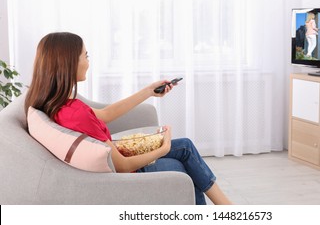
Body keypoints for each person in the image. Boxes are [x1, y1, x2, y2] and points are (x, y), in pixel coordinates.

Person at [24, 32, 232, 205]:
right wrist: (164, 147)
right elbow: (122, 165)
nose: (88, 61)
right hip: (126, 176)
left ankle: (226, 209)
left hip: (116, 167)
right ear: (68, 63)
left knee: (185, 147)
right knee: (185, 165)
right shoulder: (75, 113)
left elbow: (106, 115)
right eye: (85, 56)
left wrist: (148, 91)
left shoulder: (58, 104)